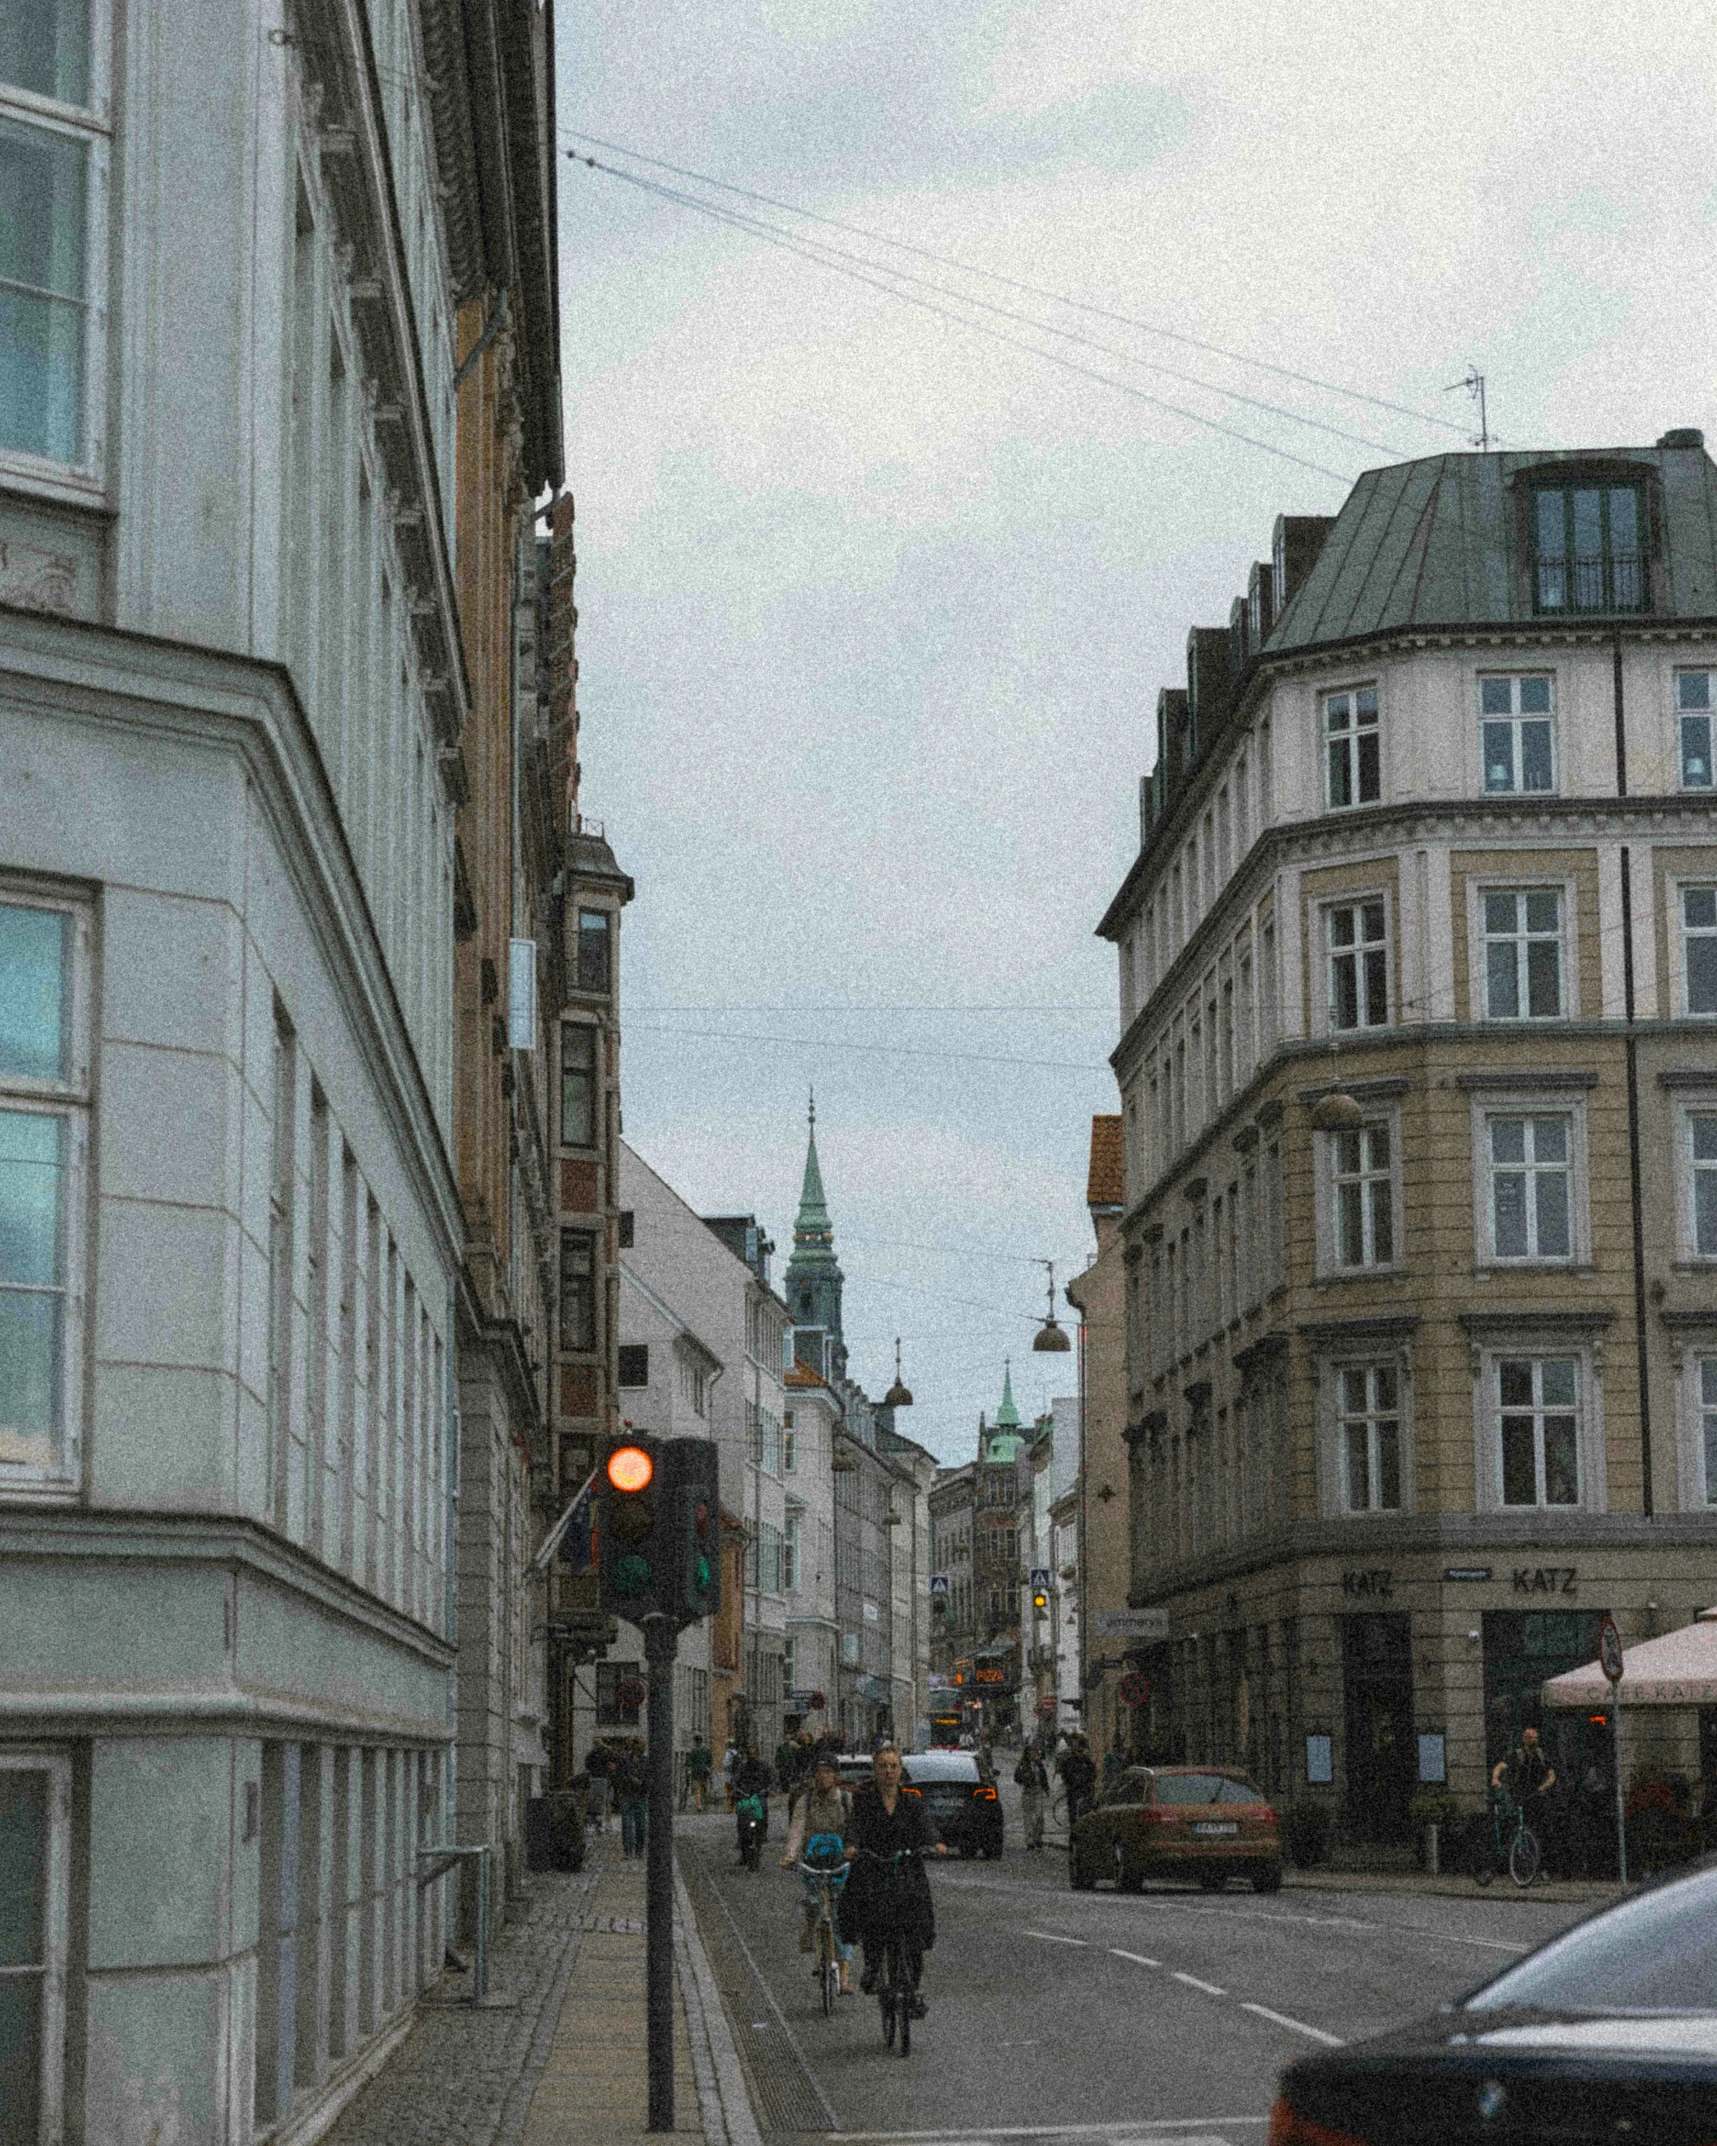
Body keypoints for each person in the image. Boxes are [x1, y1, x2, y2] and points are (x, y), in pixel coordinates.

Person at [839, 1745, 947, 2018]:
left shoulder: (912, 1801)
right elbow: (855, 1828)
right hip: (875, 1867)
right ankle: (873, 1966)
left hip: (907, 1867)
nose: (889, 1771)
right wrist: (852, 1846)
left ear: (900, 1770)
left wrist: (935, 1841)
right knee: (872, 1916)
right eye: (883, 1766)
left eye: (893, 1766)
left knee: (915, 1923)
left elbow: (926, 1825)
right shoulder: (865, 1802)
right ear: (876, 1771)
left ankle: (913, 1989)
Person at [781, 1753, 856, 1994]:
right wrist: (791, 1855)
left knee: (841, 1917)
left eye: (828, 1772)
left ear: (836, 1775)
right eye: (820, 1772)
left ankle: (844, 1976)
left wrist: (854, 1850)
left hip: (839, 1861)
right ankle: (810, 1926)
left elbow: (855, 1831)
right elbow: (797, 1828)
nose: (823, 1776)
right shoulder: (806, 1801)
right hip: (812, 1860)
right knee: (813, 1901)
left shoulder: (846, 1799)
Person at [734, 1746, 772, 1859]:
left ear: (758, 1754)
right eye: (750, 1755)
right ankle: (742, 1844)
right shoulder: (742, 1768)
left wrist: (768, 1789)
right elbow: (735, 1781)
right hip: (745, 1796)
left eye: (754, 1754)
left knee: (763, 1810)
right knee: (741, 1818)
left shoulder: (764, 1766)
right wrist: (737, 1791)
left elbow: (772, 1779)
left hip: (759, 1795)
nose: (752, 1757)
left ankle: (763, 1834)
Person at [616, 1739, 649, 1859]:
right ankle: (628, 1851)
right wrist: (630, 1779)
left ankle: (639, 1850)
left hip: (640, 1795)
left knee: (641, 1824)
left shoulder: (646, 1761)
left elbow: (649, 1776)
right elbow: (620, 1775)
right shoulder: (625, 1760)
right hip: (627, 1794)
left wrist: (642, 1782)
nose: (638, 1748)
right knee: (627, 1824)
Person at [1057, 1732, 1097, 1827]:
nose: (1080, 1753)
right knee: (1073, 1815)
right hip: (1073, 1792)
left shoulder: (1087, 1761)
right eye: (1078, 1751)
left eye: (1081, 1751)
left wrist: (1087, 1780)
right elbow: (1065, 1776)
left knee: (1086, 1814)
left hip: (1085, 1791)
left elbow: (1093, 1773)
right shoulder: (1069, 1761)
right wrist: (1073, 1782)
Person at [1014, 1742, 1049, 1851]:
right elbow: (1017, 1777)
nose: (1033, 1754)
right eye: (1030, 1752)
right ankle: (1029, 1841)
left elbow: (1044, 1776)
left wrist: (1046, 1788)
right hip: (1028, 1792)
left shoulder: (1039, 1764)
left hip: (1038, 1791)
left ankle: (1037, 1837)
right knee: (1028, 1817)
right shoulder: (1023, 1765)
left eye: (1034, 1752)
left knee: (1039, 1816)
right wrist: (1025, 1779)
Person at [584, 1738, 613, 1834]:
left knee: (595, 1803)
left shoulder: (590, 1754)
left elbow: (587, 1764)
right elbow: (611, 1761)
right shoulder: (605, 1753)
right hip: (605, 1779)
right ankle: (606, 1824)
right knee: (606, 1802)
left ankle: (596, 1825)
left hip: (594, 1778)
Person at [686, 1738, 713, 1813]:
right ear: (702, 1741)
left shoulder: (693, 1751)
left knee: (697, 1790)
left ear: (696, 1742)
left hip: (695, 1772)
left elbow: (689, 1761)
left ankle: (699, 1806)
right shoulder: (707, 1750)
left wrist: (689, 1767)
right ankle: (705, 1806)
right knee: (705, 1789)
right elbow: (710, 1761)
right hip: (704, 1772)